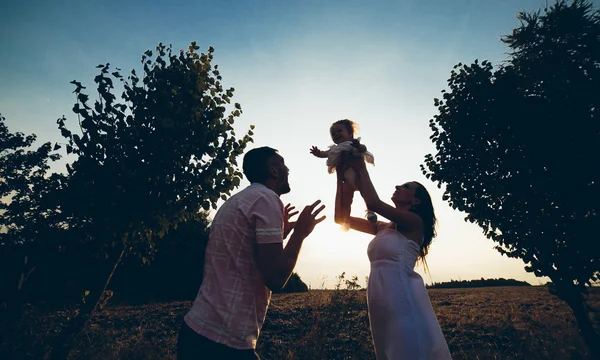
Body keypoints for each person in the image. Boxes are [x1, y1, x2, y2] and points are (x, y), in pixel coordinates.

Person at [177, 146, 326, 360]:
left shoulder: (236, 201)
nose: (288, 169)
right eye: (283, 164)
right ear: (274, 171)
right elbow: (275, 278)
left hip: (197, 330)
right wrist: (300, 233)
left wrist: (280, 235)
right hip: (224, 340)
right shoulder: (267, 199)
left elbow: (242, 251)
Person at [334, 145, 452, 360]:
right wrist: (342, 180)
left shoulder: (415, 223)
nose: (398, 185)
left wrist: (361, 165)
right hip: (378, 299)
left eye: (406, 186)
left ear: (416, 201)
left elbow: (373, 202)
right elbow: (341, 219)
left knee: (407, 350)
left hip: (401, 296)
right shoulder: (381, 227)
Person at [310, 119, 377, 226]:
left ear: (350, 134)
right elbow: (324, 154)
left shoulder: (352, 144)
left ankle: (370, 211)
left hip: (358, 176)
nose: (336, 134)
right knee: (345, 199)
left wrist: (358, 146)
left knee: (366, 194)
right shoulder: (334, 149)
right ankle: (345, 217)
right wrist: (318, 153)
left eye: (339, 131)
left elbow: (363, 149)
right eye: (333, 133)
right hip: (346, 180)